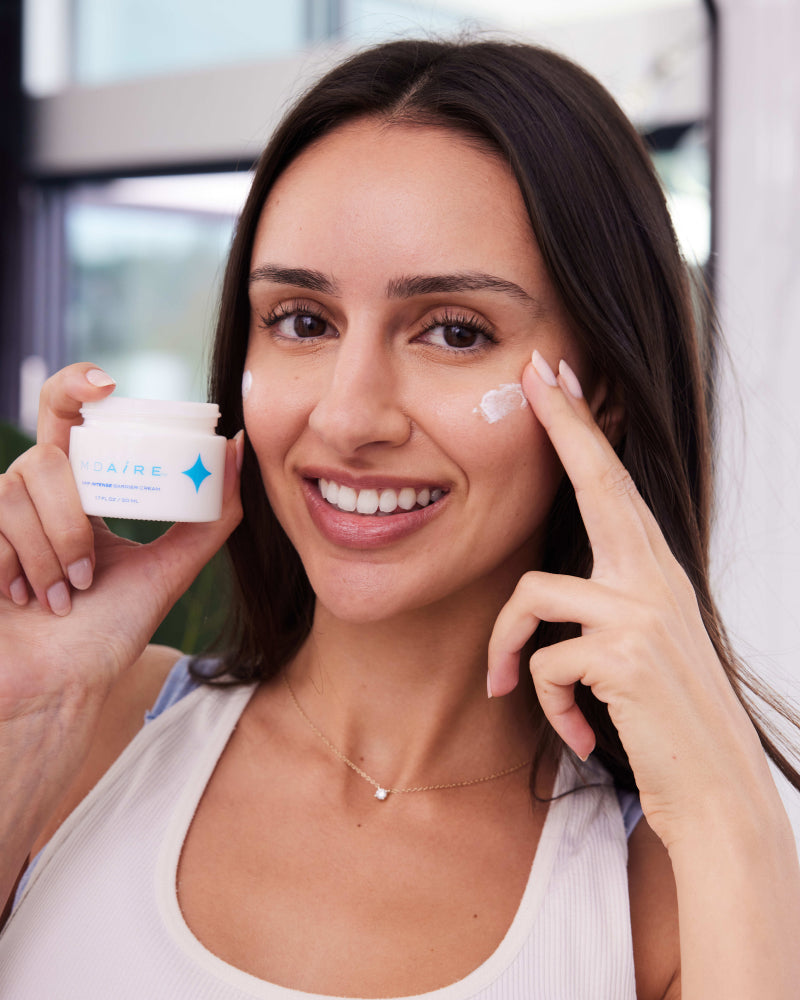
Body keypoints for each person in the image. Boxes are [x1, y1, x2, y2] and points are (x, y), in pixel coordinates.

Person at [0, 37, 799, 1000]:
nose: (346, 416)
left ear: (606, 388)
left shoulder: (677, 888)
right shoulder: (88, 734)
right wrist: (28, 723)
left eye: (454, 331)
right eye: (302, 320)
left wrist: (730, 814)